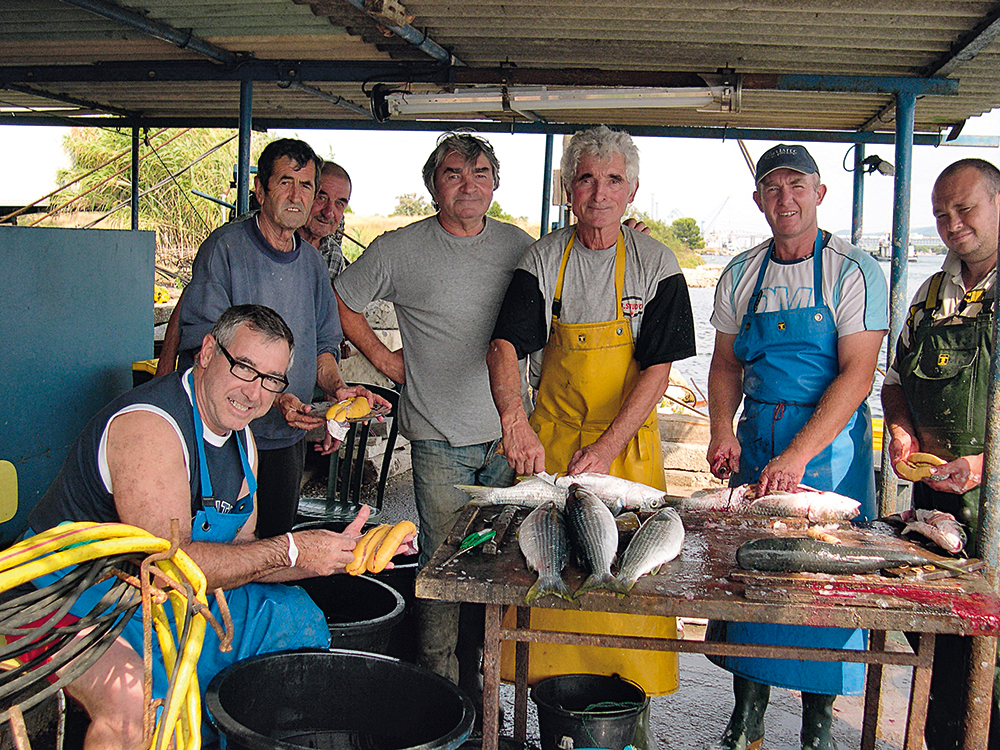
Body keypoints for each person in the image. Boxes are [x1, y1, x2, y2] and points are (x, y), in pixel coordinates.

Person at [26, 305, 415, 750]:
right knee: (134, 707)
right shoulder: (152, 427)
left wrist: (343, 551)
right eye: (245, 368)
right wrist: (290, 549)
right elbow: (169, 567)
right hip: (64, 597)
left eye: (271, 380)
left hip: (155, 599)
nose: (254, 393)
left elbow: (242, 555)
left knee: (295, 619)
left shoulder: (239, 433)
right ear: (209, 351)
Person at [487, 125, 696, 737]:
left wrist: (606, 449)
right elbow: (504, 347)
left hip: (627, 452)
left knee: (634, 586)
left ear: (632, 190)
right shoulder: (543, 260)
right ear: (567, 190)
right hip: (551, 449)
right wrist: (513, 420)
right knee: (547, 582)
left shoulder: (657, 264)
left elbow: (657, 371)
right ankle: (554, 723)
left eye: (612, 180)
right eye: (585, 178)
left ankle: (633, 726)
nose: (599, 193)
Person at [333, 132, 534, 722]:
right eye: (452, 173)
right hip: (437, 435)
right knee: (442, 566)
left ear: (495, 182)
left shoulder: (521, 246)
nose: (467, 184)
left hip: (506, 439)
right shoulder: (400, 249)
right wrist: (387, 361)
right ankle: (440, 696)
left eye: (479, 172)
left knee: (496, 564)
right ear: (433, 185)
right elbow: (343, 299)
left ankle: (481, 682)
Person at [705, 144, 888, 750]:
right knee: (749, 574)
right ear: (758, 200)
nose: (785, 198)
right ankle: (748, 714)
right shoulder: (740, 273)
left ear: (819, 193)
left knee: (824, 580)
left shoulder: (853, 270)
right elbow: (726, 365)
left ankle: (818, 721)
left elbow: (858, 375)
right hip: (757, 438)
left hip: (830, 450)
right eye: (772, 187)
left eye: (797, 185)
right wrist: (722, 430)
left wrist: (800, 454)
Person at [163, 138, 384, 539]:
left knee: (276, 544)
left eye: (305, 186)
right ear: (261, 190)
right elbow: (206, 352)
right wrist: (277, 397)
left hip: (284, 438)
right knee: (217, 546)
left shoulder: (314, 264)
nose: (296, 196)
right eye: (285, 182)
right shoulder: (225, 249)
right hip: (224, 433)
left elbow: (323, 348)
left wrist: (337, 391)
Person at [881, 158, 1000, 749]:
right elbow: (895, 381)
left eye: (965, 208)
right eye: (940, 214)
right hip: (937, 510)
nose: (952, 223)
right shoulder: (931, 296)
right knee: (942, 655)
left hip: (997, 514)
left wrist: (988, 465)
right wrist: (900, 430)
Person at [298, 160, 353, 283]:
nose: (328, 213)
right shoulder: (275, 238)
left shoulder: (334, 255)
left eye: (339, 203)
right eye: (321, 198)